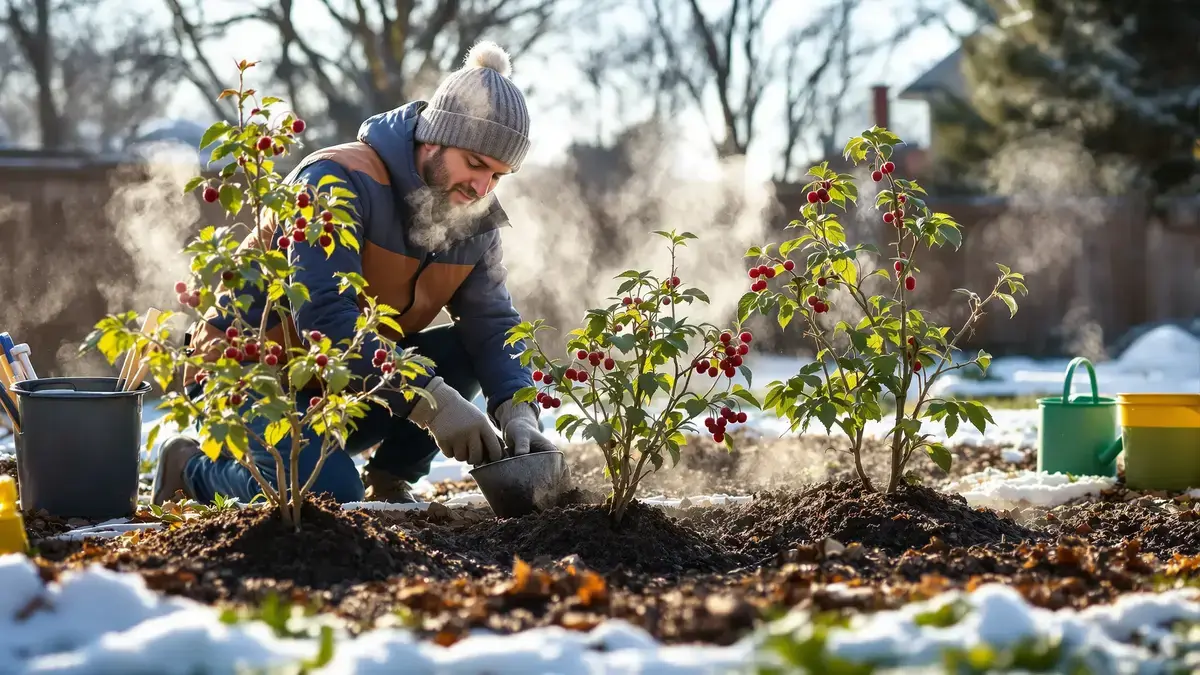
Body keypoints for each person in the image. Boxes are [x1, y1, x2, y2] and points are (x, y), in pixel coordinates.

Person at [151, 41, 558, 506]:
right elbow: (324, 316)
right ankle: (191, 469)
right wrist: (434, 404)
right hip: (250, 377)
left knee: (465, 346)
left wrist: (517, 408)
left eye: (499, 176)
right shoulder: (337, 180)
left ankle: (389, 478)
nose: (482, 187)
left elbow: (494, 325)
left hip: (343, 386)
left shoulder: (473, 219)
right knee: (325, 494)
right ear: (434, 139)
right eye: (476, 164)